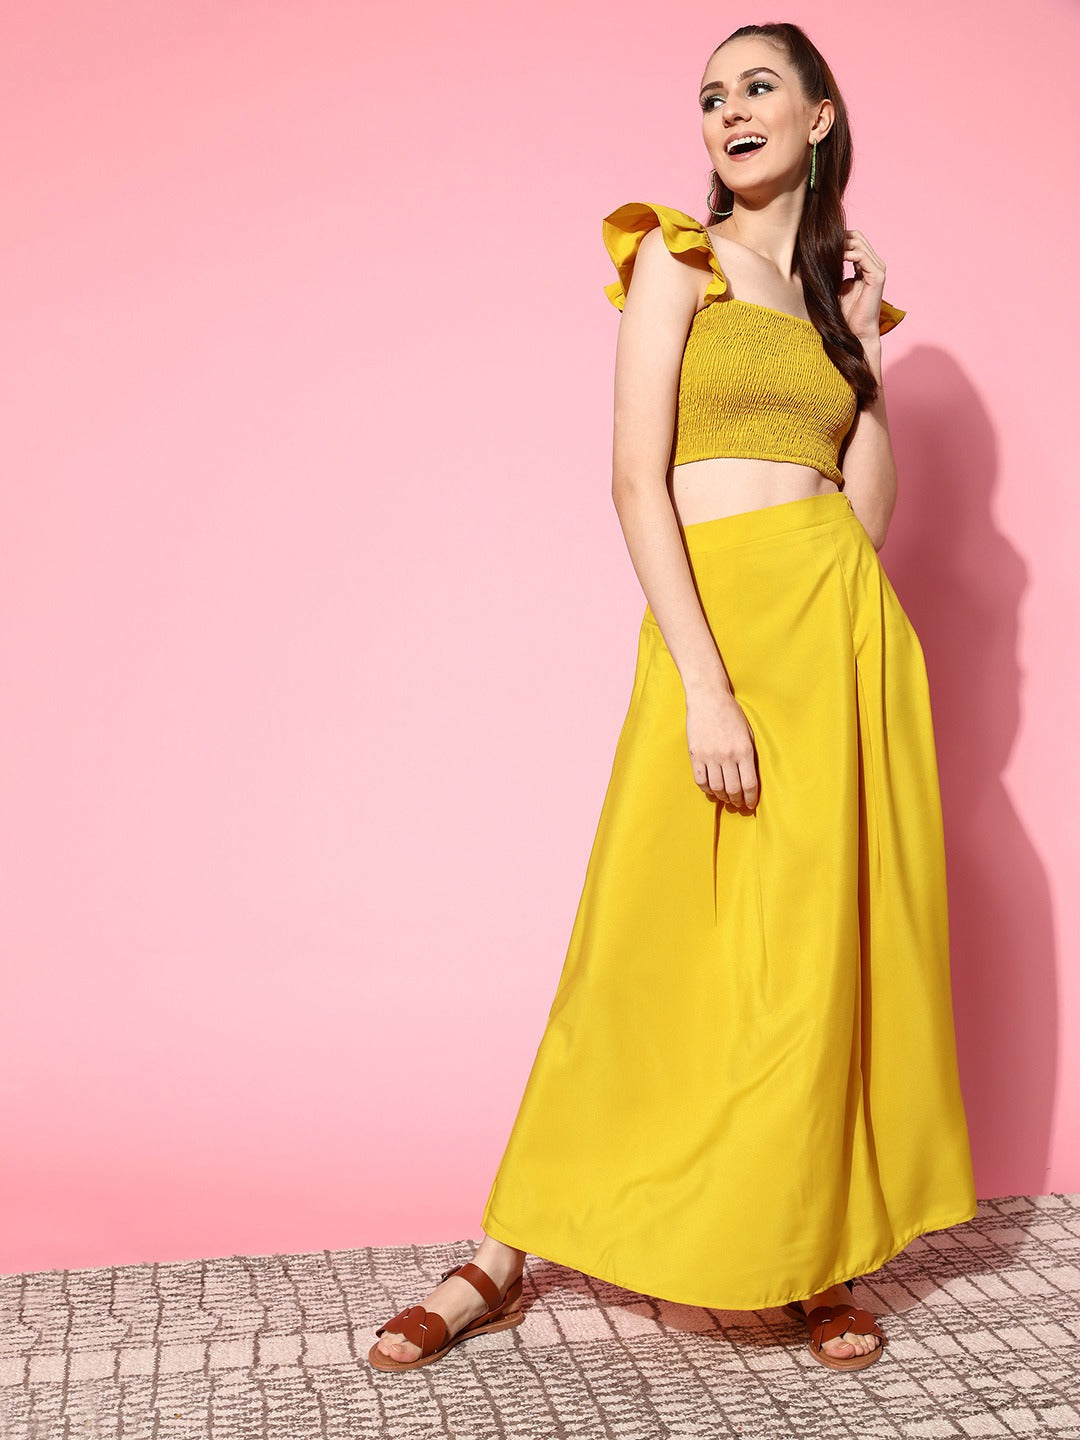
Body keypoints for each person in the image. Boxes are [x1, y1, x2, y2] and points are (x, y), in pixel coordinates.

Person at [369, 20, 977, 1376]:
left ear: (820, 115)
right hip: (720, 628)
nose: (729, 111)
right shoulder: (677, 256)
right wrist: (704, 682)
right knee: (640, 944)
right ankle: (503, 1254)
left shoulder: (825, 307)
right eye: (711, 95)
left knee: (815, 957)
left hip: (838, 635)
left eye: (759, 86)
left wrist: (865, 343)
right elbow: (635, 480)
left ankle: (816, 1256)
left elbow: (865, 516)